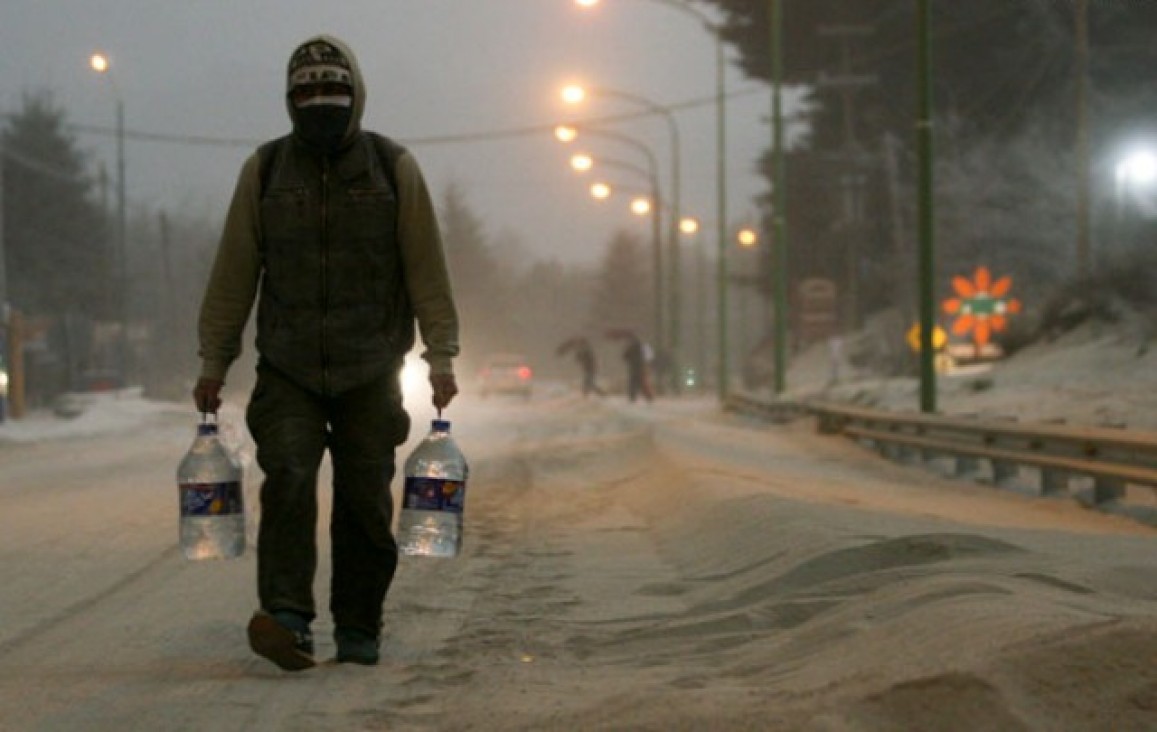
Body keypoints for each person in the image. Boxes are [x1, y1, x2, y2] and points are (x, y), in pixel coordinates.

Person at [192, 35, 460, 672]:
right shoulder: (265, 171)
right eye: (306, 93)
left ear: (355, 94)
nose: (320, 103)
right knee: (286, 478)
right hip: (287, 367)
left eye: (332, 91)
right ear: (289, 101)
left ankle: (359, 624)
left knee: (365, 497)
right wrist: (213, 361)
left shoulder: (392, 168)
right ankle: (288, 617)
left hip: (372, 368)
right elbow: (233, 273)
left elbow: (426, 266)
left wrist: (441, 353)